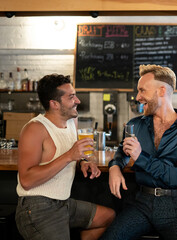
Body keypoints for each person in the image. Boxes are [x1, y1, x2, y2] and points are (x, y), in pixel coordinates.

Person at [101, 64, 177, 240]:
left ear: (161, 91)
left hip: (173, 205)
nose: (138, 97)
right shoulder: (136, 124)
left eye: (142, 91)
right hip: (141, 203)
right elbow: (122, 152)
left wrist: (142, 157)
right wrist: (115, 167)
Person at [15, 74, 115, 240]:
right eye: (71, 97)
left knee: (107, 216)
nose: (78, 101)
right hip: (37, 207)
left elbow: (69, 156)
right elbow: (26, 180)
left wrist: (82, 162)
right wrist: (70, 156)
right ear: (54, 104)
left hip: (63, 203)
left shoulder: (71, 122)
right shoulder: (34, 129)